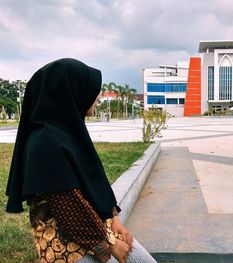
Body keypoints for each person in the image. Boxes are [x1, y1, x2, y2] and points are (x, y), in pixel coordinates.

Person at [5, 58, 157, 263]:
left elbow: (94, 182)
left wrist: (114, 220)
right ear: (70, 91)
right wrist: (111, 245)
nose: (97, 96)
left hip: (96, 231)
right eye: (90, 89)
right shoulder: (45, 142)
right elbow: (69, 206)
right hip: (68, 248)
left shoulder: (69, 132)